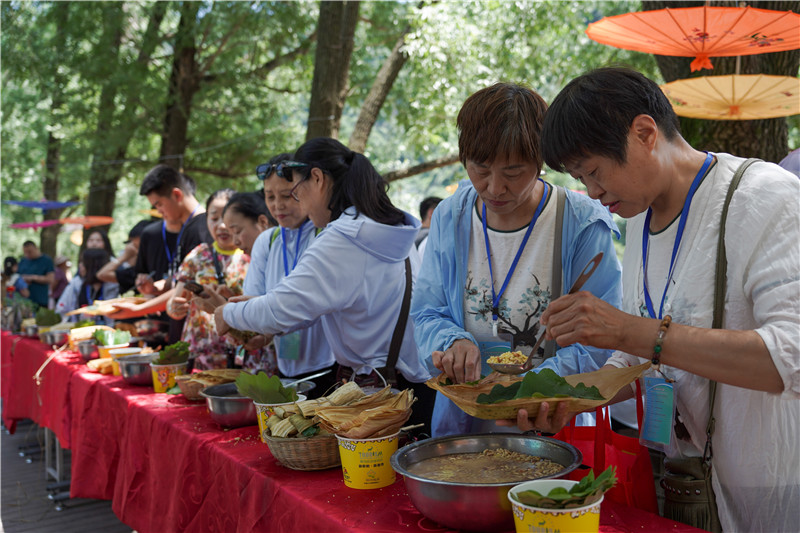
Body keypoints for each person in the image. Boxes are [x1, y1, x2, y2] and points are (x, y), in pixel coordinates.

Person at [535, 67, 799, 532]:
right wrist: (569, 398)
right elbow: (644, 354)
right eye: (580, 177)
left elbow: (789, 357)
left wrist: (628, 331)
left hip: (770, 489)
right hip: (684, 483)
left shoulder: (765, 198)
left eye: (594, 172)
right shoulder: (637, 222)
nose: (593, 192)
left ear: (643, 133)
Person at [410, 82, 622, 437]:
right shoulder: (451, 217)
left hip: (552, 419)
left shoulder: (581, 223)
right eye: (480, 169)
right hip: (465, 426)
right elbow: (427, 312)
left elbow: (601, 337)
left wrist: (531, 385)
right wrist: (451, 342)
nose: (494, 188)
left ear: (540, 161)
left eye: (512, 172)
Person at [213, 138, 434, 431]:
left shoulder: (342, 239)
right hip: (417, 387)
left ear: (316, 178)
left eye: (295, 192)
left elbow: (280, 308)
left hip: (382, 395)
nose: (298, 204)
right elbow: (312, 305)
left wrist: (227, 314)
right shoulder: (384, 227)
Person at [228, 155, 336, 395]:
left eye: (287, 195)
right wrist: (253, 331)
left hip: (331, 365)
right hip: (284, 366)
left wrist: (264, 325)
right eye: (270, 196)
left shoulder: (325, 236)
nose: (278, 205)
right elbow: (253, 299)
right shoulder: (268, 241)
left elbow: (314, 306)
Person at [107, 165, 211, 343]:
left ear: (177, 195)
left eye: (159, 204)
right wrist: (155, 288)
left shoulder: (200, 229)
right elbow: (180, 279)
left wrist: (138, 309)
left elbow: (188, 288)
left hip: (198, 333)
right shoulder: (188, 227)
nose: (159, 211)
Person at [165, 189, 248, 370]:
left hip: (238, 352)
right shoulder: (199, 254)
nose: (221, 225)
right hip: (200, 352)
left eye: (226, 217)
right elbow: (175, 302)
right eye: (214, 217)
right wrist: (174, 307)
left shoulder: (250, 255)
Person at [56, 248, 120, 325]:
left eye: (83, 263)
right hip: (81, 330)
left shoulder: (113, 286)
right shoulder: (76, 284)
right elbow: (61, 308)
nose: (80, 266)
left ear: (93, 265)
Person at [97, 219, 154, 294]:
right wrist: (124, 256)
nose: (133, 251)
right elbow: (102, 274)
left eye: (138, 247)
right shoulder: (135, 272)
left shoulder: (156, 269)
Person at [18, 240, 55, 308]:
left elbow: (50, 279)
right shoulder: (23, 261)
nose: (27, 254)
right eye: (25, 252)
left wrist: (33, 278)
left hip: (40, 300)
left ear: (36, 248)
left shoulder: (46, 260)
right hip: (24, 300)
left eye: (30, 252)